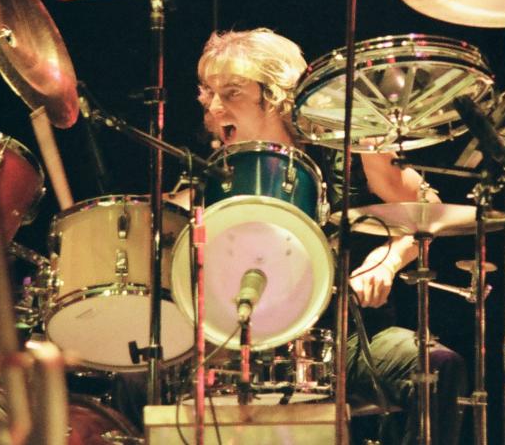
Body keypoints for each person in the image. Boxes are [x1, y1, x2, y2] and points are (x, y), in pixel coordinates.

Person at [196, 28, 467, 444]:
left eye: (231, 92)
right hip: (237, 344)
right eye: (208, 92)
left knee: (437, 366)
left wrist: (389, 259)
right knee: (136, 378)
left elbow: (426, 215)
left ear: (277, 95)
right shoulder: (215, 174)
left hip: (347, 337)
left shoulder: (348, 150)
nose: (215, 107)